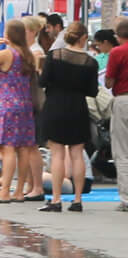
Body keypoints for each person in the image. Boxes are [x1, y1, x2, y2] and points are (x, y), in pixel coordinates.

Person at [39, 22, 100, 212]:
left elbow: (42, 81)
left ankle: (56, 199)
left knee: (57, 154)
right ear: (83, 38)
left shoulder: (54, 56)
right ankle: (77, 200)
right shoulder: (91, 63)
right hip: (78, 108)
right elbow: (92, 91)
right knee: (77, 154)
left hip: (55, 106)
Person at [0, 18, 39, 203]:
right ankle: (19, 191)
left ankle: (5, 191)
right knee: (24, 149)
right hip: (25, 104)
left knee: (9, 148)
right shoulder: (28, 54)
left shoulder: (7, 54)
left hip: (7, 105)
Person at [108, 22, 128, 209]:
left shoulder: (117, 53)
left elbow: (108, 81)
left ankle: (126, 199)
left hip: (123, 99)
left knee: (122, 151)